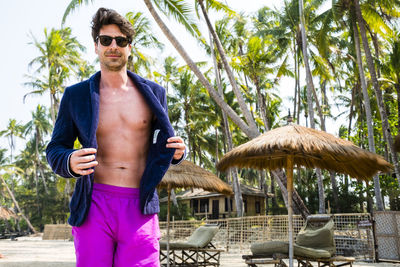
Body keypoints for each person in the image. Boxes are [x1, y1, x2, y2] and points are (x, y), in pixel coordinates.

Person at [46, 7, 186, 267]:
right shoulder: (75, 96)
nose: (113, 46)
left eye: (120, 41)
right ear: (96, 46)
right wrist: (69, 161)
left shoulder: (154, 94)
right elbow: (55, 148)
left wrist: (178, 152)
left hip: (139, 205)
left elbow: (164, 143)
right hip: (94, 204)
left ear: (129, 47)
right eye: (105, 40)